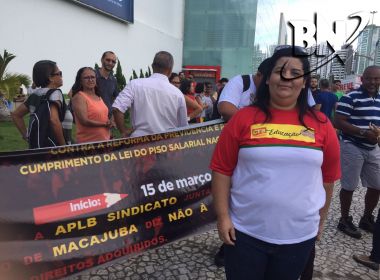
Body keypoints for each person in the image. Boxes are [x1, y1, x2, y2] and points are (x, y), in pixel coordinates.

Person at [210, 46, 341, 280]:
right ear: (268, 78)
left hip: (299, 236)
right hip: (245, 234)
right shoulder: (243, 118)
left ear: (305, 82)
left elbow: (328, 178)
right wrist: (223, 217)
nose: (286, 78)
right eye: (279, 70)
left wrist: (320, 220)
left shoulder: (321, 124)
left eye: (295, 73)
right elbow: (221, 170)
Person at [334, 65, 380, 239]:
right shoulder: (350, 97)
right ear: (362, 79)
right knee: (349, 186)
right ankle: (344, 219)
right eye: (368, 78)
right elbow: (338, 121)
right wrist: (362, 132)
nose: (372, 82)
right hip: (352, 145)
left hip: (373, 147)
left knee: (377, 185)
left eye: (376, 79)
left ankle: (366, 218)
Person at [112, 51, 188, 138]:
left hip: (139, 143)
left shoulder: (135, 84)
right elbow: (183, 128)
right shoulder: (178, 94)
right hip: (166, 144)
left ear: (152, 66)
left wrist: (123, 131)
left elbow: (117, 109)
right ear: (170, 70)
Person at [11, 60, 67, 147]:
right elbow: (54, 120)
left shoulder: (34, 95)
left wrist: (26, 135)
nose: (61, 76)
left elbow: (16, 115)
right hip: (53, 146)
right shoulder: (55, 93)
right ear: (50, 78)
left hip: (36, 145)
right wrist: (64, 145)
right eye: (59, 73)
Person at [71, 67, 111, 144]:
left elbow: (102, 117)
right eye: (86, 78)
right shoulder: (79, 97)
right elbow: (84, 121)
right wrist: (104, 124)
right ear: (80, 81)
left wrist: (109, 122)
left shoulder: (98, 96)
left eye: (92, 77)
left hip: (104, 142)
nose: (90, 80)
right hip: (88, 145)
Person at [96, 51, 119, 118]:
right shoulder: (92, 76)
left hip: (107, 120)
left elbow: (117, 99)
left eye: (113, 61)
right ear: (102, 60)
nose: (110, 63)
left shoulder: (113, 80)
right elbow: (72, 94)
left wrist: (113, 116)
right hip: (92, 119)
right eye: (108, 60)